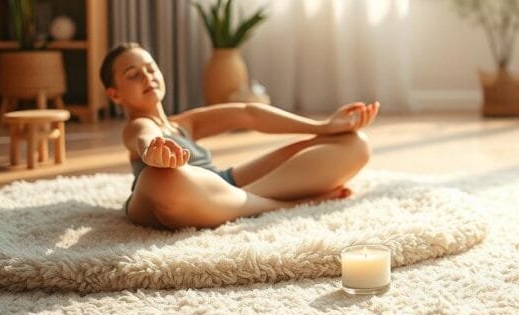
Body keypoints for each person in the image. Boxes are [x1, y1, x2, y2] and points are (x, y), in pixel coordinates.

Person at [100, 42, 379, 230]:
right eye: (133, 74)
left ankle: (236, 204)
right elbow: (143, 136)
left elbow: (249, 114)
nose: (147, 77)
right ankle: (291, 204)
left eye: (151, 69)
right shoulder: (137, 125)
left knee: (354, 144)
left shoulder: (186, 123)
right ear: (115, 94)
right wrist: (153, 153)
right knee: (160, 178)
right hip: (174, 193)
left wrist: (324, 127)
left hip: (223, 187)